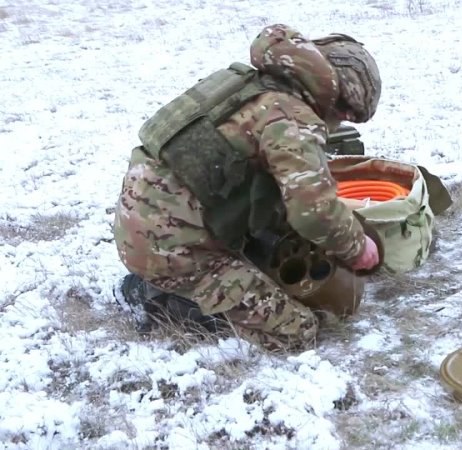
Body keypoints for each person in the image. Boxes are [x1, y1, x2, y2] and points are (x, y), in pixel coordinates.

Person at [113, 24, 382, 352]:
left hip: (145, 222)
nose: (340, 121)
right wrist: (357, 248)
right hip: (175, 249)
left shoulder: (248, 84)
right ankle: (161, 299)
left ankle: (172, 277)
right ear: (339, 98)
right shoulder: (293, 120)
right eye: (345, 113)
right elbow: (315, 213)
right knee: (297, 330)